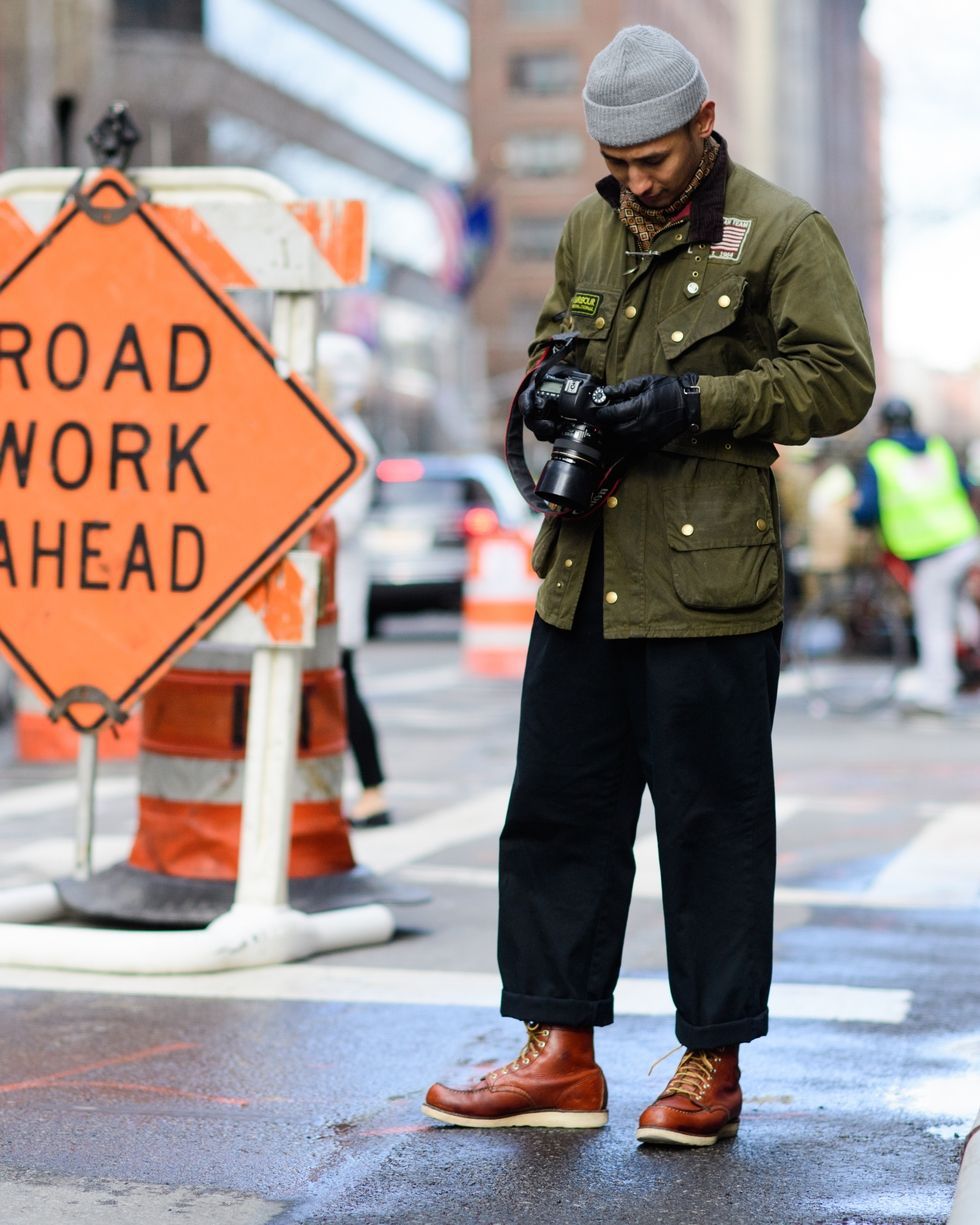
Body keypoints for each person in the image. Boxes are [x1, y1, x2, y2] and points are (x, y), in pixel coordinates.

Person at [423, 25, 874, 1145]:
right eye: (616, 163)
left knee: (711, 825)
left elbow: (837, 380)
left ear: (703, 125)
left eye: (654, 162)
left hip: (709, 581)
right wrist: (551, 388)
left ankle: (706, 1066)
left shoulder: (778, 230)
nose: (633, 183)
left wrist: (690, 405)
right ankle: (557, 1054)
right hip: (582, 570)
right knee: (556, 816)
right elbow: (551, 339)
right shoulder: (586, 225)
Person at [853, 397, 980, 715]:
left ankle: (938, 692)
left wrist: (857, 517)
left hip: (931, 550)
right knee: (960, 607)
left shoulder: (880, 455)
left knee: (933, 622)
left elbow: (868, 507)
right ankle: (964, 659)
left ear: (884, 425)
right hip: (963, 537)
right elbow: (964, 485)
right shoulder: (938, 446)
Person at [315, 331, 391, 828]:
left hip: (334, 588)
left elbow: (338, 522)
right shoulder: (325, 432)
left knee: (340, 686)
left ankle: (373, 788)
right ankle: (356, 786)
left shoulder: (352, 442)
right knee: (328, 688)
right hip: (320, 588)